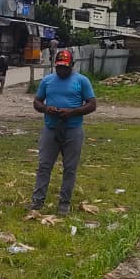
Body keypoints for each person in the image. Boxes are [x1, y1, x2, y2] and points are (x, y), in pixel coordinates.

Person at [31, 49, 97, 215]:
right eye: (59, 67)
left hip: (72, 129)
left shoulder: (82, 81)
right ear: (55, 66)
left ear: (72, 66)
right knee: (44, 166)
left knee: (70, 168)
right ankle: (37, 201)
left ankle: (64, 203)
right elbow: (37, 102)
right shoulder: (47, 81)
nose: (62, 71)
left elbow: (92, 104)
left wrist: (72, 112)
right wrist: (47, 108)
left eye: (65, 68)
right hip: (51, 128)